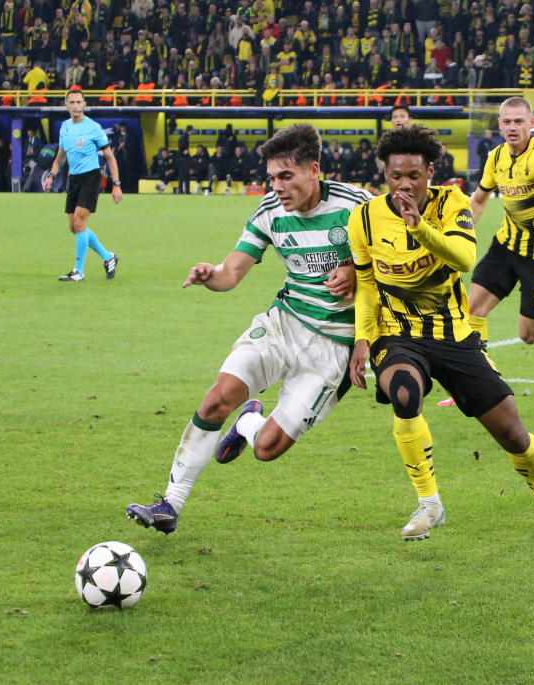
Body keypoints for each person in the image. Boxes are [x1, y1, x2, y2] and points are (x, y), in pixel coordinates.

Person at [126, 124, 374, 535]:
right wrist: (211, 274)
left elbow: (400, 261)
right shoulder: (269, 211)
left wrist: (357, 271)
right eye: (272, 177)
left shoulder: (358, 206)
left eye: (286, 176)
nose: (277, 186)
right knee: (215, 399)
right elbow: (231, 273)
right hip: (284, 324)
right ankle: (171, 502)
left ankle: (248, 424)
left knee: (266, 449)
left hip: (334, 349)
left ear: (314, 170)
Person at [347, 125, 534, 541]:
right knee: (404, 390)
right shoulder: (364, 217)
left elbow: (466, 258)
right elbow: (366, 283)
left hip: (454, 334)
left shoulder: (451, 202)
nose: (404, 183)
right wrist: (363, 337)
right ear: (385, 174)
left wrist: (419, 227)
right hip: (397, 333)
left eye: (414, 176)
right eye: (395, 175)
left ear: (430, 172)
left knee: (512, 432)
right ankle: (429, 504)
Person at [466, 97, 534, 349]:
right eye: (507, 122)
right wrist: (458, 234)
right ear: (500, 124)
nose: (513, 127)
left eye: (519, 121)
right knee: (471, 309)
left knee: (529, 336)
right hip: (506, 246)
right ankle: (475, 379)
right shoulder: (496, 157)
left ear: (532, 123)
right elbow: (479, 199)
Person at [43, 89, 123, 282]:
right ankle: (108, 257)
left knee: (79, 223)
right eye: (72, 102)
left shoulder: (93, 128)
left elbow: (110, 157)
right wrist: (51, 175)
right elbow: (61, 157)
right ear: (66, 105)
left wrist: (116, 184)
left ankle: (78, 271)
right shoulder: (65, 127)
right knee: (74, 227)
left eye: (79, 102)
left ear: (84, 104)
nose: (76, 106)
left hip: (91, 177)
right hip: (74, 179)